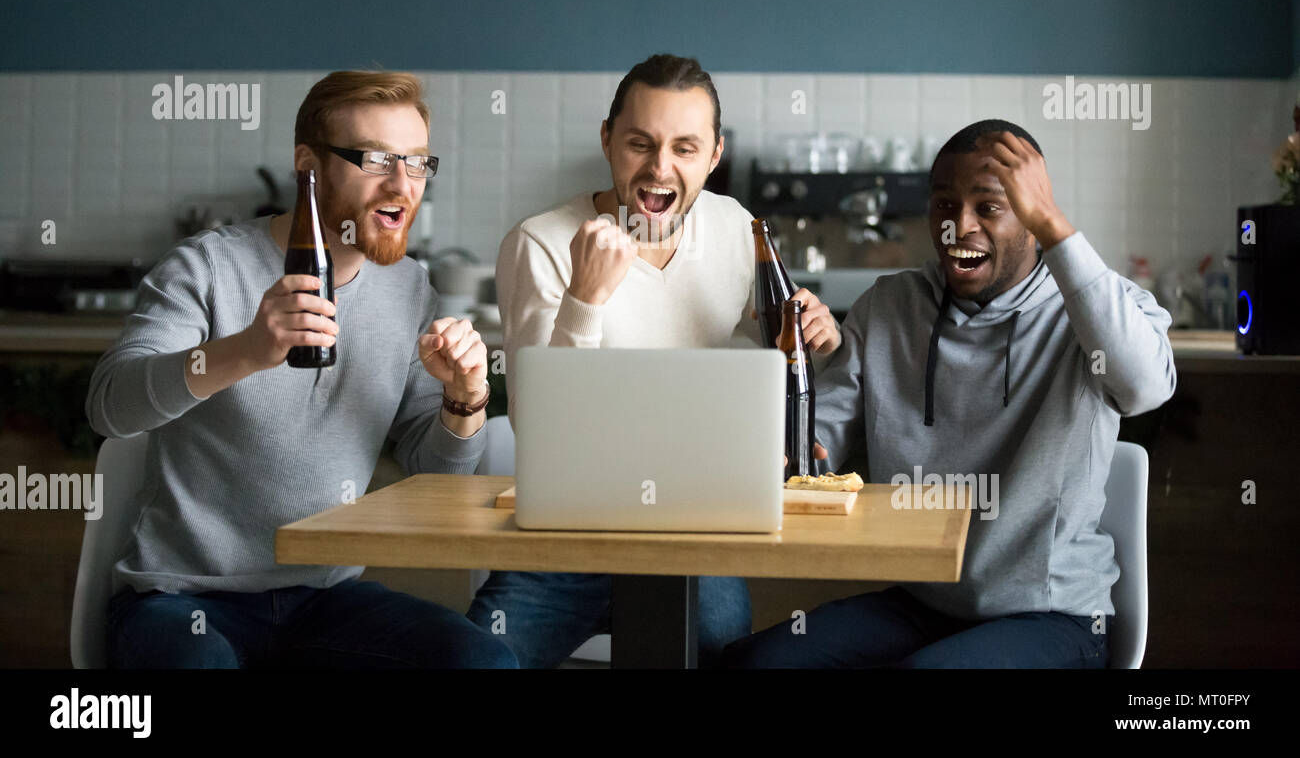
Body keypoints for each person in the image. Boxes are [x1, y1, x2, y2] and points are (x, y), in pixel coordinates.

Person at [87, 70, 516, 668]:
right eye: (376, 159)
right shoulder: (207, 268)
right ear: (308, 165)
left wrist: (465, 401)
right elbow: (110, 405)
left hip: (325, 599)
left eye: (418, 162)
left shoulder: (410, 288)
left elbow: (433, 469)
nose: (402, 184)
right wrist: (245, 350)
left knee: (481, 662)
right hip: (183, 600)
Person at [725, 119, 1176, 668]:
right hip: (920, 602)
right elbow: (807, 460)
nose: (959, 226)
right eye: (944, 206)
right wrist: (790, 367)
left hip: (1053, 617)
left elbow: (1146, 387)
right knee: (755, 664)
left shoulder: (1095, 310)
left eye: (989, 207)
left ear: (1034, 217)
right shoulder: (890, 306)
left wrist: (1058, 227)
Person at [466, 53, 839, 667]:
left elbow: (769, 370)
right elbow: (540, 424)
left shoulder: (736, 227)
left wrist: (814, 340)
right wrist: (584, 298)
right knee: (478, 659)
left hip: (695, 533)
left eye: (684, 149)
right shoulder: (542, 243)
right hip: (568, 537)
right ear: (609, 140)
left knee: (719, 652)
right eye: (640, 143)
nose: (659, 168)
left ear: (714, 156)